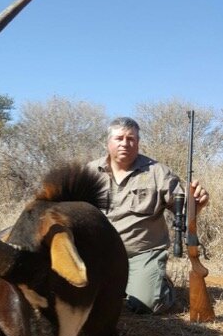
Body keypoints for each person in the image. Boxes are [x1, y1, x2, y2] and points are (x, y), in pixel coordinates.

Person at [87, 117, 209, 314]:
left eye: (131, 139)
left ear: (138, 142)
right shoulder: (89, 172)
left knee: (145, 305)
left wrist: (197, 204)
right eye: (119, 138)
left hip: (142, 253)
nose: (125, 143)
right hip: (100, 253)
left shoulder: (158, 172)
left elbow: (183, 212)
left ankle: (160, 284)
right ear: (107, 142)